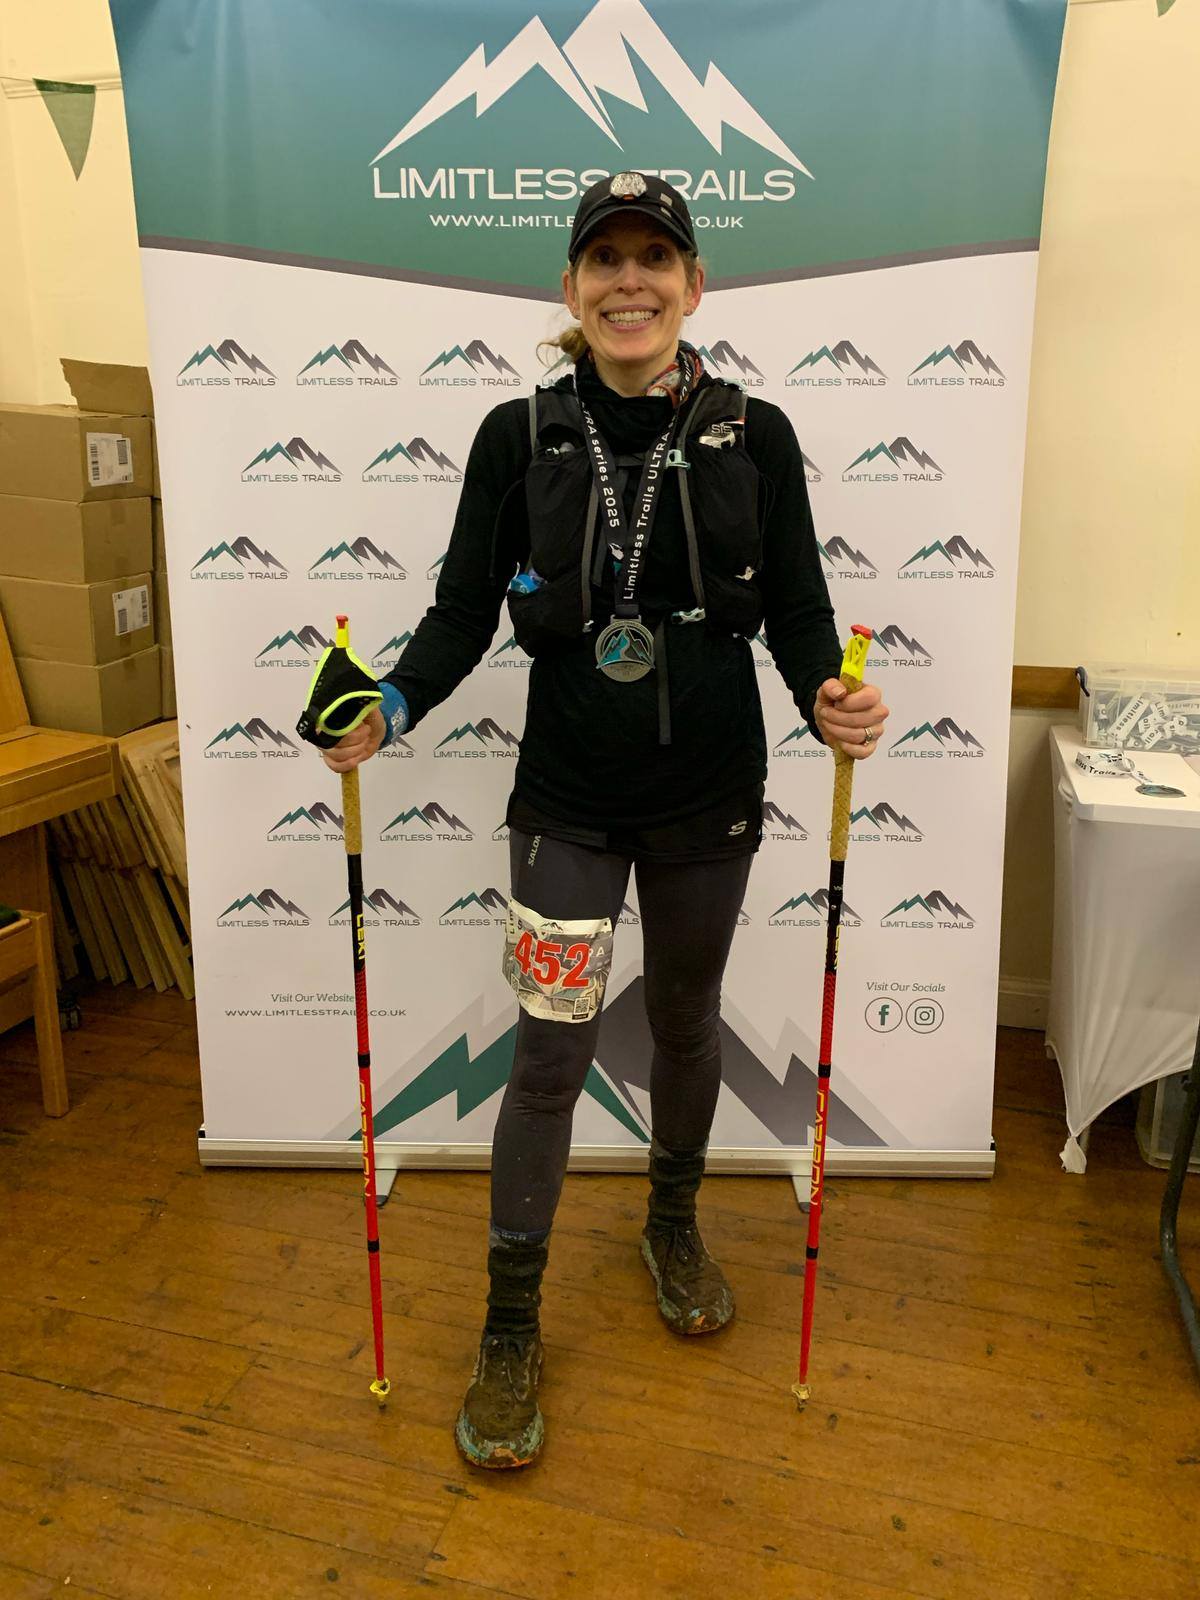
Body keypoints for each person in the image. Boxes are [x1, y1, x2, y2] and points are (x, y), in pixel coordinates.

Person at [316, 171, 888, 1470]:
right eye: (606, 260)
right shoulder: (517, 436)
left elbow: (801, 609)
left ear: (694, 285)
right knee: (550, 1053)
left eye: (655, 258)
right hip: (566, 806)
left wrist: (828, 695)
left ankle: (669, 1225)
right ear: (571, 288)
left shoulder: (758, 435)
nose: (631, 281)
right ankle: (510, 1326)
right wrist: (389, 707)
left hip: (708, 801)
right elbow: (462, 611)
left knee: (684, 1021)